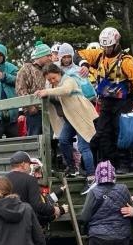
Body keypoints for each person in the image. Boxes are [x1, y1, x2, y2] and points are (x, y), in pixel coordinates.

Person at [77, 27, 133, 173]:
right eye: (104, 46)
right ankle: (110, 163)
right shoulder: (99, 55)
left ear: (116, 44)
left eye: (109, 46)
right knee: (102, 132)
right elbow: (80, 53)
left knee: (120, 131)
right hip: (107, 101)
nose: (107, 49)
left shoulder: (126, 61)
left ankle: (124, 164)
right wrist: (84, 64)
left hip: (123, 101)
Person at [35, 63, 98, 193]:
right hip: (71, 118)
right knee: (63, 140)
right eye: (49, 80)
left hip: (81, 116)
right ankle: (72, 168)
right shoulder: (57, 85)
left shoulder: (69, 79)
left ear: (59, 73)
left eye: (54, 78)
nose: (53, 81)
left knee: (83, 146)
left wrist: (46, 91)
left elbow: (66, 90)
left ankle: (92, 178)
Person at [16, 41, 53, 136]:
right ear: (40, 56)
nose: (50, 58)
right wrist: (30, 107)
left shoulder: (49, 70)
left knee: (51, 140)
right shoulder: (26, 69)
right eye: (48, 56)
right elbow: (20, 89)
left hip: (49, 111)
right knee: (35, 139)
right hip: (34, 113)